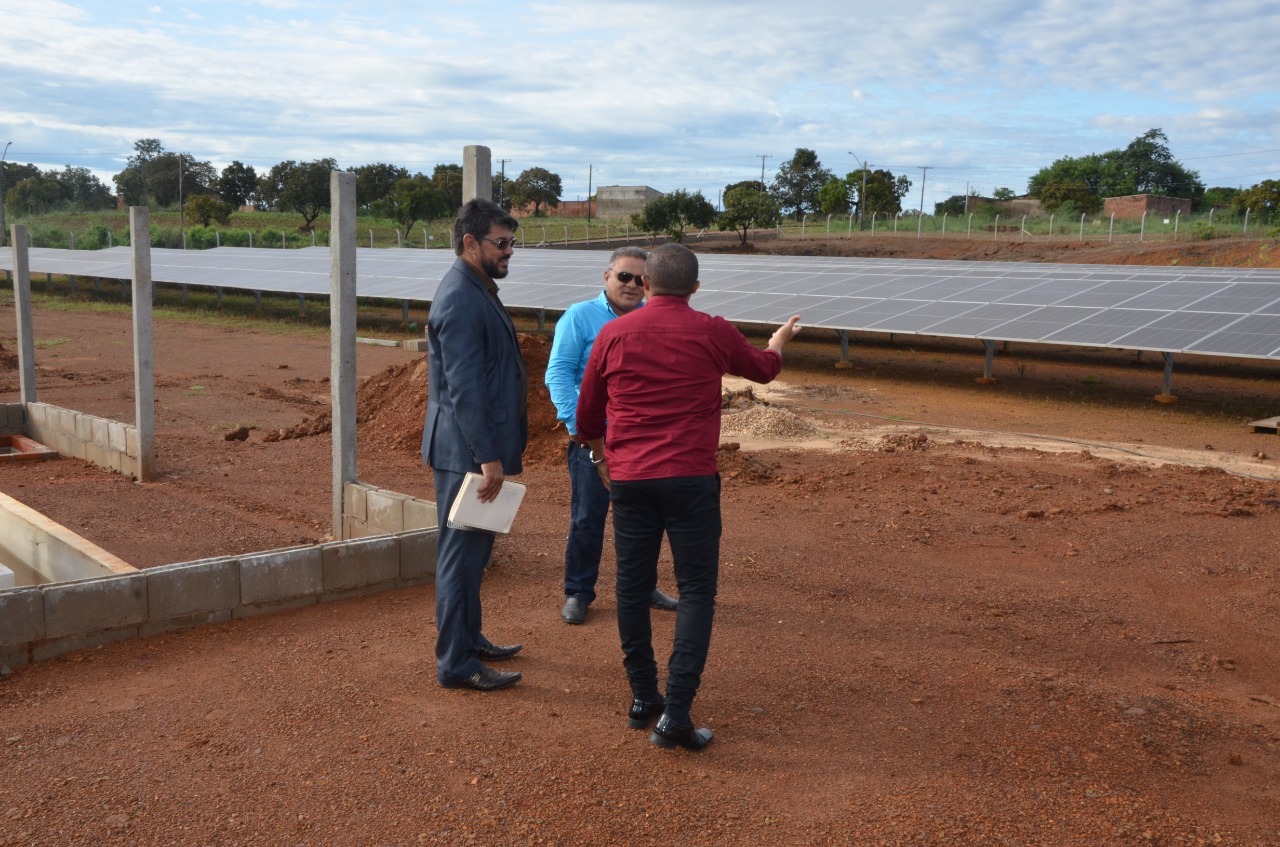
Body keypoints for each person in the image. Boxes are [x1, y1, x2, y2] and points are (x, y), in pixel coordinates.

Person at [576, 242, 801, 750]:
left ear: (647, 285)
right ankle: (675, 713)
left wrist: (601, 458)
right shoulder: (712, 331)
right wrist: (778, 340)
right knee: (696, 591)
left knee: (631, 588)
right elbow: (765, 369)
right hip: (691, 481)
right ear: (696, 288)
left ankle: (642, 698)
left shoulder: (612, 333)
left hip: (630, 480)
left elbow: (588, 416)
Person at [422, 198, 528, 692]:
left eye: (512, 243)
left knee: (473, 556)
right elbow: (464, 388)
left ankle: (468, 637)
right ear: (470, 243)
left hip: (473, 450)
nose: (509, 252)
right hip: (466, 452)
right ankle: (457, 663)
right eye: (501, 244)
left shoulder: (475, 286)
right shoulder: (462, 298)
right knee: (460, 557)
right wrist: (488, 456)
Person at [544, 246, 679, 626]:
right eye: (624, 276)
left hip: (641, 441)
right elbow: (559, 375)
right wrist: (582, 431)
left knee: (644, 517)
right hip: (594, 439)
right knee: (588, 516)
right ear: (606, 277)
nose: (632, 285)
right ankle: (578, 591)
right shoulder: (580, 317)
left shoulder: (653, 319)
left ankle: (642, 586)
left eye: (640, 279)